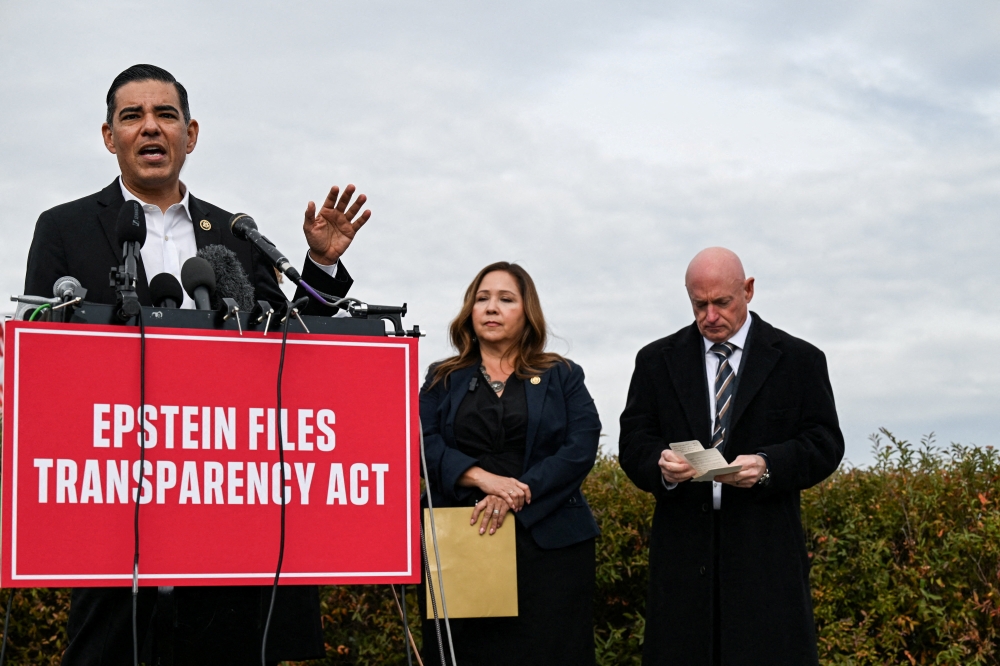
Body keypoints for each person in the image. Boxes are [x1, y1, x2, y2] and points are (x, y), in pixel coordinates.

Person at [23, 64, 372, 665]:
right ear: (109, 137)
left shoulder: (236, 234)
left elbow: (284, 345)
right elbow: (43, 358)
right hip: (113, 512)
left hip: (221, 517)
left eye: (166, 115)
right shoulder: (64, 228)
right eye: (132, 117)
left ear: (192, 133)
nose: (150, 128)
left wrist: (316, 267)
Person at [618, 247, 844, 666]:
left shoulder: (800, 360)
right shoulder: (654, 361)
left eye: (722, 302)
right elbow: (634, 442)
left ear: (749, 290)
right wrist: (662, 465)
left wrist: (767, 464)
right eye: (698, 304)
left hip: (767, 557)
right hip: (683, 560)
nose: (710, 316)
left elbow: (825, 443)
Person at [419, 262, 601, 666]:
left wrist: (518, 492)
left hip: (550, 543)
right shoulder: (441, 377)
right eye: (482, 299)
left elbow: (580, 445)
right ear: (469, 311)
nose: (491, 308)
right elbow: (418, 442)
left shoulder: (562, 375)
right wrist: (484, 479)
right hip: (464, 538)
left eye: (505, 299)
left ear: (527, 311)